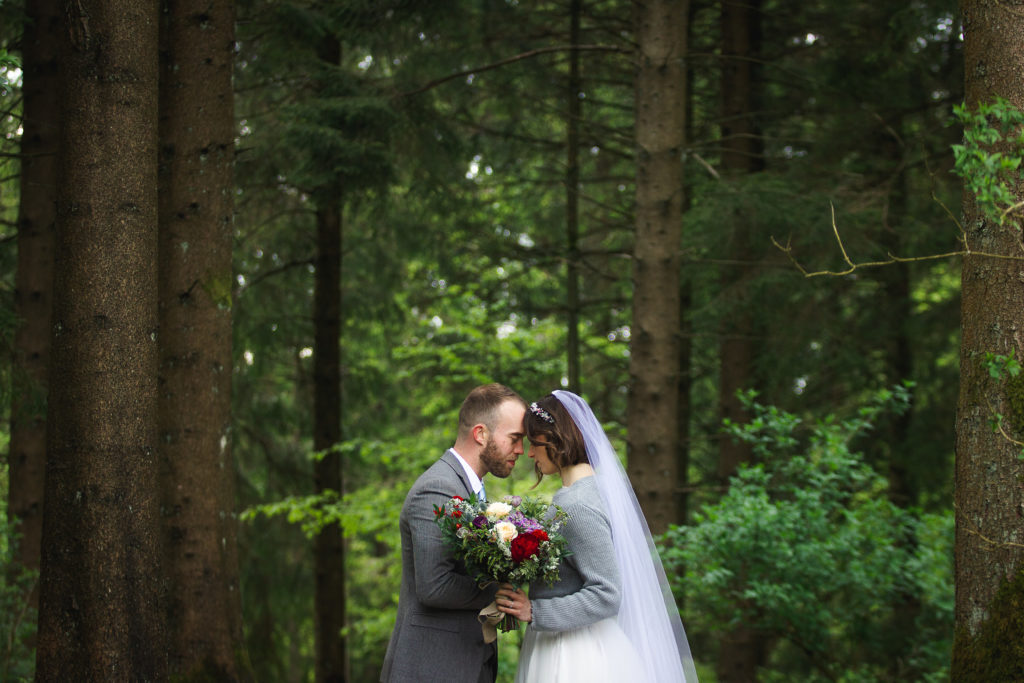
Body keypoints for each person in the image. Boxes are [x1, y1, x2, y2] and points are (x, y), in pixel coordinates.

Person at [495, 391, 699, 682]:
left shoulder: (577, 505)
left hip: (574, 654)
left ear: (556, 440)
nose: (529, 453)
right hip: (566, 639)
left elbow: (607, 593)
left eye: (534, 443)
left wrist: (534, 610)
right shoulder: (585, 493)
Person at [381, 383, 528, 683]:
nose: (520, 450)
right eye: (514, 438)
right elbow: (434, 586)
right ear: (480, 434)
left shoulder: (469, 489)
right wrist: (498, 592)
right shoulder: (437, 488)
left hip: (465, 663)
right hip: (432, 666)